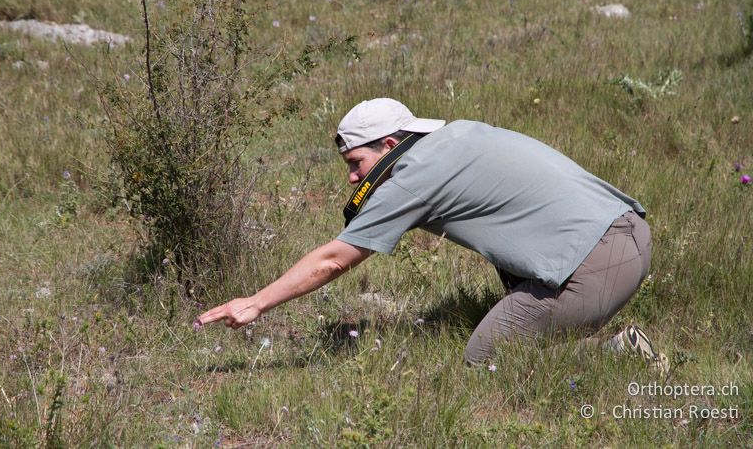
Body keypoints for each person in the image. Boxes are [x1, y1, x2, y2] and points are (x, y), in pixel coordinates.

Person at [196, 98, 666, 368]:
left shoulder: (413, 175)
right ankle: (569, 325)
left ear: (389, 145)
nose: (353, 179)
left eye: (355, 164)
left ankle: (615, 354)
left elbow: (334, 259)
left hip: (597, 263)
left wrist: (255, 302)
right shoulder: (455, 137)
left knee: (484, 361)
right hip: (631, 233)